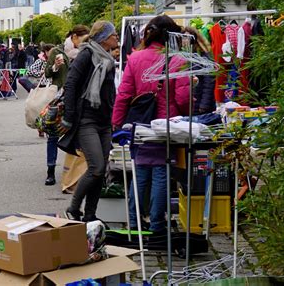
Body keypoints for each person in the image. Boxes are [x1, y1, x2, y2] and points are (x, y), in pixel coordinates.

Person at [112, 15, 191, 233]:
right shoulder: (178, 60)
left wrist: (117, 123)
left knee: (140, 175)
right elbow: (183, 98)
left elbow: (124, 94)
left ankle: (135, 223)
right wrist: (187, 116)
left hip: (139, 126)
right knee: (161, 175)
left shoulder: (135, 58)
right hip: (166, 127)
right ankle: (157, 224)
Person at [59, 21, 118, 222]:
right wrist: (68, 116)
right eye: (114, 35)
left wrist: (115, 116)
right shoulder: (87, 55)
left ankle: (91, 214)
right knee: (96, 167)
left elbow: (111, 91)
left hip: (104, 121)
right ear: (103, 37)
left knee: (101, 173)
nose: (117, 38)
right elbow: (71, 83)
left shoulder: (108, 59)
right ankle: (74, 208)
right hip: (86, 120)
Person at [42, 25, 90, 186]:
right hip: (59, 97)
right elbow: (48, 72)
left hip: (78, 98)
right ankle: (50, 171)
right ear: (75, 37)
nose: (85, 40)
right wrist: (55, 65)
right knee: (53, 134)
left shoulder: (87, 52)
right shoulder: (58, 51)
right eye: (83, 37)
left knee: (79, 134)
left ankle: (75, 173)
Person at [183, 26, 216, 114]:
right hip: (189, 103)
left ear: (193, 39)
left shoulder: (203, 56)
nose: (184, 40)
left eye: (186, 37)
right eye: (183, 37)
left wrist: (204, 105)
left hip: (200, 104)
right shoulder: (184, 55)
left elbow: (209, 82)